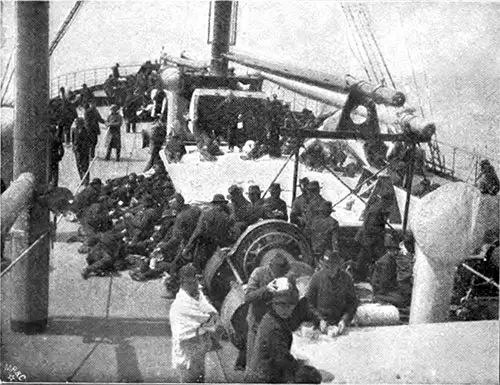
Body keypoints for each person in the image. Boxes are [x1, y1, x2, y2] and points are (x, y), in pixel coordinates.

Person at [245, 279, 322, 384]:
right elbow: (281, 359)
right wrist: (304, 370)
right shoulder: (273, 327)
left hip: (268, 373)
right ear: (273, 304)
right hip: (262, 378)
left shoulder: (276, 317)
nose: (286, 309)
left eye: (290, 305)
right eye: (281, 304)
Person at [169, 263, 220, 383]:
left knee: (200, 378)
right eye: (191, 283)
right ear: (182, 283)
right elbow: (210, 319)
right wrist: (208, 322)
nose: (196, 285)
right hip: (187, 356)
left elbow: (212, 315)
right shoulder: (180, 304)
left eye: (196, 281)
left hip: (199, 352)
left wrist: (208, 322)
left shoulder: (198, 295)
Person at [244, 254, 291, 372]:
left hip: (274, 326)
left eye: (282, 274)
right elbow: (248, 297)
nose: (280, 277)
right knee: (253, 364)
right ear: (270, 267)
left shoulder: (285, 277)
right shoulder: (258, 273)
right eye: (277, 274)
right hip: (257, 324)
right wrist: (266, 289)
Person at [306, 250, 358, 336]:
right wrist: (319, 320)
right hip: (321, 323)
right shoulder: (316, 278)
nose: (329, 269)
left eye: (332, 266)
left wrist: (344, 320)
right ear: (322, 265)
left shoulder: (346, 278)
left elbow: (352, 303)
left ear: (338, 265)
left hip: (339, 323)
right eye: (326, 266)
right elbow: (308, 303)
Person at [183, 194, 234, 273]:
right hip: (220, 247)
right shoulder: (226, 217)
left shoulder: (207, 214)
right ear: (222, 204)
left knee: (198, 268)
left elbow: (198, 232)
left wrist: (188, 247)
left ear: (214, 204)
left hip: (206, 246)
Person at [354, 192, 392, 282]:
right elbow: (370, 227)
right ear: (386, 201)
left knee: (364, 258)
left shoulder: (379, 208)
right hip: (368, 238)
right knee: (367, 258)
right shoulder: (377, 210)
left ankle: (362, 277)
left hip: (370, 238)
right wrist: (383, 233)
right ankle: (362, 277)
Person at [371, 232, 414, 308]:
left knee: (406, 297)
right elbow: (383, 283)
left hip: (386, 289)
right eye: (393, 250)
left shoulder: (391, 259)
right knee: (403, 300)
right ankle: (378, 299)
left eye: (396, 250)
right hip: (381, 292)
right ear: (389, 250)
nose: (396, 252)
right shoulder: (386, 262)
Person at [304, 200, 339, 265]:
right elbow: (334, 240)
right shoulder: (333, 222)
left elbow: (306, 234)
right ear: (330, 212)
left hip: (312, 249)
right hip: (325, 251)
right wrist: (335, 251)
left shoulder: (313, 221)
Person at [72, 117, 91, 186]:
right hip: (77, 151)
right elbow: (73, 140)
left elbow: (89, 140)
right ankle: (82, 180)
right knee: (78, 165)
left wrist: (87, 147)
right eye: (77, 123)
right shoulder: (74, 130)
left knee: (85, 166)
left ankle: (87, 181)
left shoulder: (86, 130)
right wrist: (74, 148)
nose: (79, 125)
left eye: (80, 123)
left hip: (84, 150)